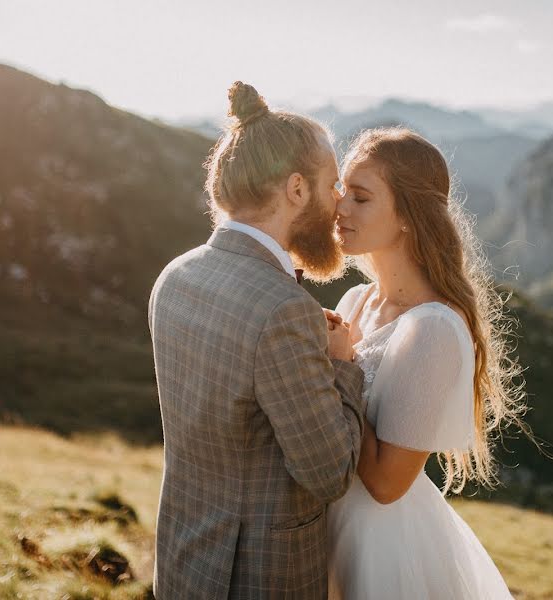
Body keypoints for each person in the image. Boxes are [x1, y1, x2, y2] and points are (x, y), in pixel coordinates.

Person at [148, 81, 365, 598]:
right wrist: (343, 365)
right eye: (332, 183)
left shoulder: (173, 276)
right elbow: (329, 471)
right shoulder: (285, 311)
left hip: (182, 563)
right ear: (296, 189)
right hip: (257, 577)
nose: (339, 201)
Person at [326, 127, 527, 599]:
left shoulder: (433, 329)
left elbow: (386, 483)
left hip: (380, 545)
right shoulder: (355, 301)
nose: (340, 207)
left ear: (407, 217)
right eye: (341, 192)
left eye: (360, 197)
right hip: (326, 526)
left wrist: (342, 367)